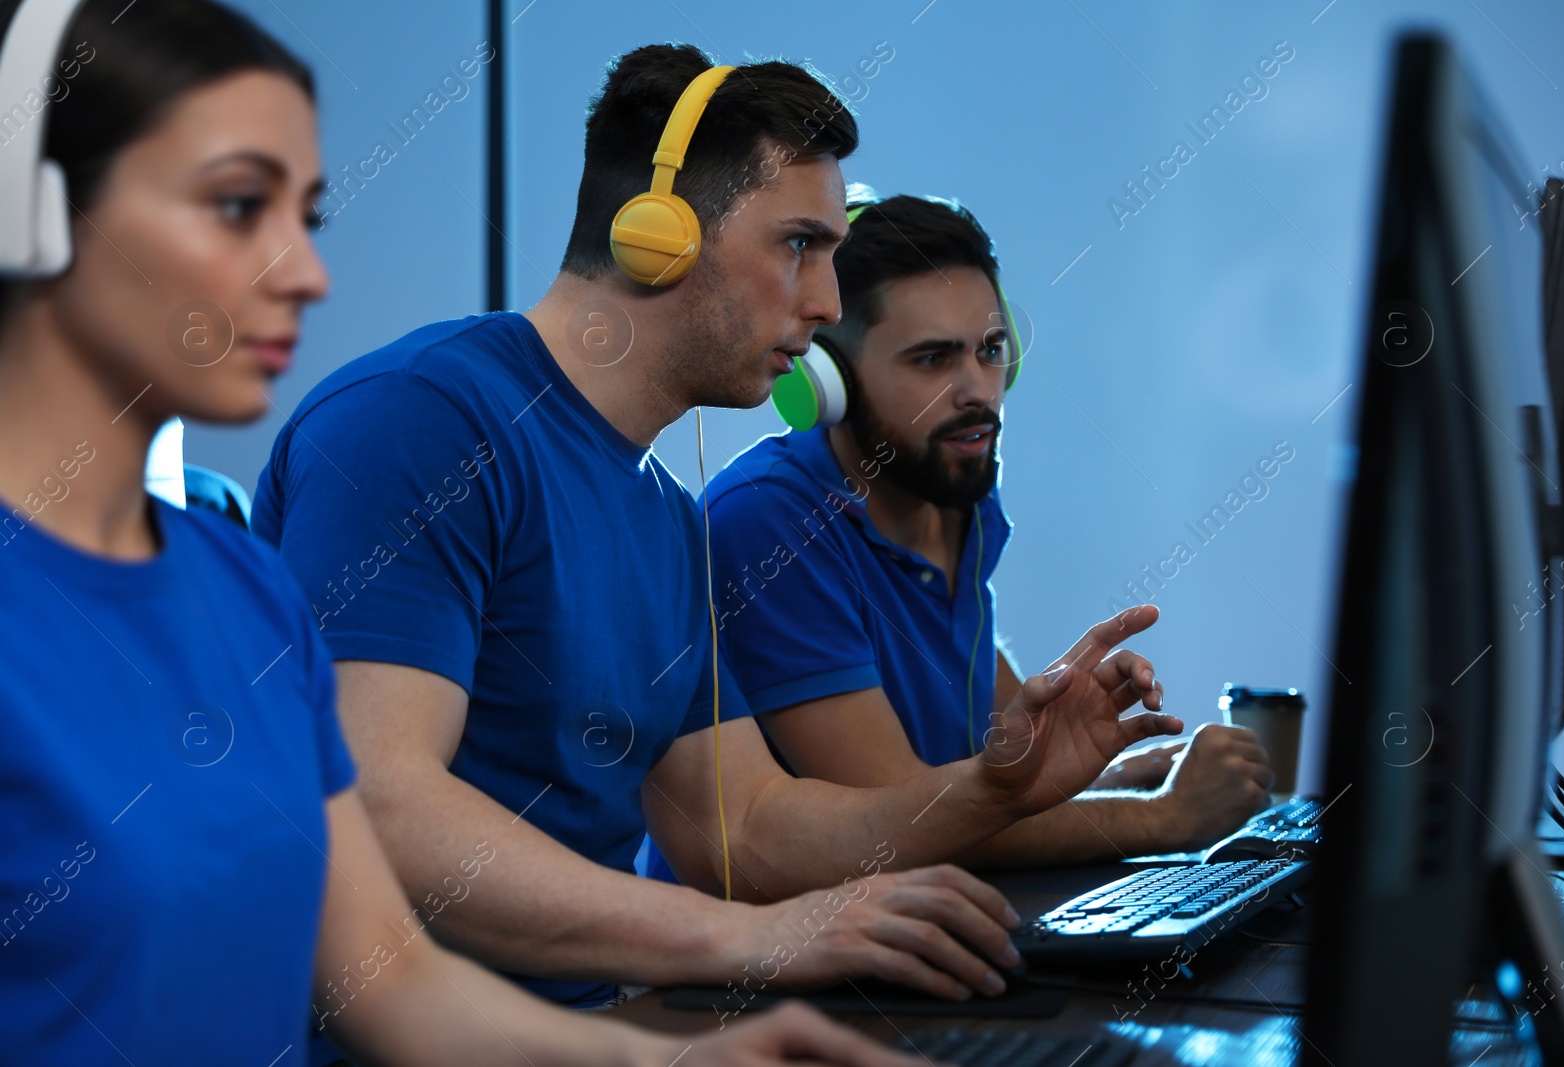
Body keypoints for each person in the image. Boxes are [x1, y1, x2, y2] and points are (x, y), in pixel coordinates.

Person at [0, 2, 924, 1063]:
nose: (305, 274)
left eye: (309, 216)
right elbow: (392, 820)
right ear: (33, 216)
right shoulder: (419, 418)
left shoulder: (233, 586)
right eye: (237, 204)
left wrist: (677, 1059)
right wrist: (741, 940)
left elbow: (395, 971)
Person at [251, 41, 1185, 1023]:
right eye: (798, 245)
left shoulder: (662, 515)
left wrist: (996, 786)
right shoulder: (425, 420)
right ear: (657, 236)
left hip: (585, 1032)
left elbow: (744, 825)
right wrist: (749, 936)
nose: (826, 303)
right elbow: (376, 800)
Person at [677, 192, 1273, 870]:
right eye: (933, 359)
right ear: (827, 379)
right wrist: (1168, 815)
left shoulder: (951, 492)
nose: (979, 391)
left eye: (991, 351)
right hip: (767, 960)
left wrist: (1102, 774)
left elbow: (994, 771)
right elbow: (900, 821)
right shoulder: (770, 525)